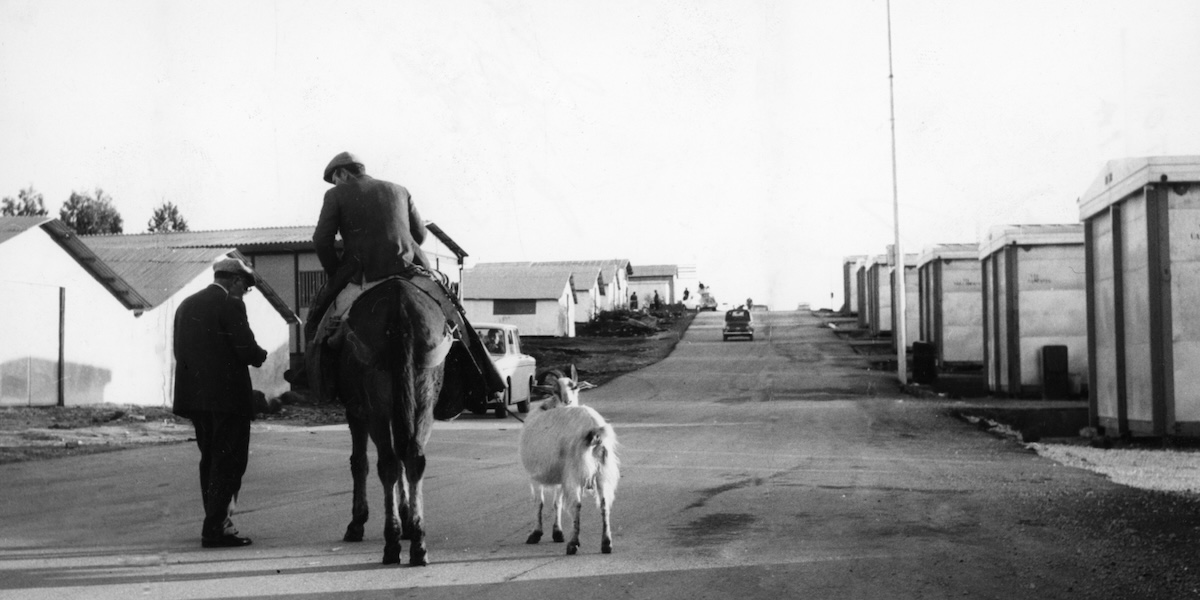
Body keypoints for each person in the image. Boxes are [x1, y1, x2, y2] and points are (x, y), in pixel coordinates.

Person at [298, 151, 505, 411]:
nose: (336, 184)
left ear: (342, 173)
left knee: (316, 322)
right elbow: (419, 234)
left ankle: (313, 382)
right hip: (410, 270)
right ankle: (486, 383)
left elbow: (321, 240)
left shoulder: (335, 194)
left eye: (335, 179)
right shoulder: (399, 189)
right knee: (457, 317)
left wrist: (335, 274)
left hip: (362, 274)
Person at [173, 257, 268, 549]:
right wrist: (260, 354)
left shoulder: (186, 304)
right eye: (245, 287)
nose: (245, 292)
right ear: (236, 281)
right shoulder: (231, 304)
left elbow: (180, 352)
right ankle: (216, 527)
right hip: (228, 401)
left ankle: (217, 520)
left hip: (195, 400)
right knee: (229, 462)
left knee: (211, 459)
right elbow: (246, 350)